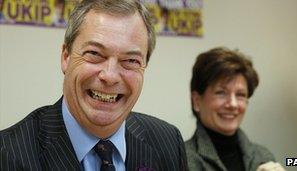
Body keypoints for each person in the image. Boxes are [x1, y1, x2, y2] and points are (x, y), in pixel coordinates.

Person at [0, 0, 188, 170]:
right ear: (66, 57)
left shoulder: (169, 142)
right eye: (95, 54)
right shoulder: (8, 155)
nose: (110, 76)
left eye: (130, 60)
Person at [185, 47, 285, 171]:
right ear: (197, 101)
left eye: (240, 95)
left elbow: (295, 162)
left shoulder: (264, 155)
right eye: (221, 92)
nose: (233, 104)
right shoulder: (181, 160)